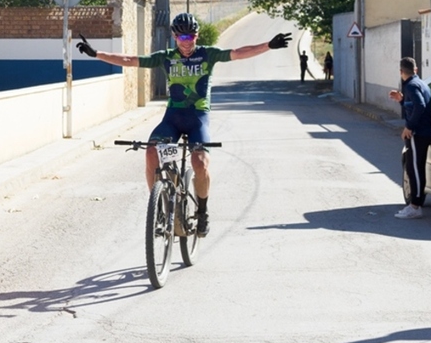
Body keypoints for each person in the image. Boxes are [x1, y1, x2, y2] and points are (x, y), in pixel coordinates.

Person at [76, 12, 291, 237]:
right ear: (174, 38)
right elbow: (130, 60)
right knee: (151, 152)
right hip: (172, 119)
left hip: (197, 118)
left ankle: (203, 213)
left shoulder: (208, 54)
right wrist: (97, 54)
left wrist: (268, 45)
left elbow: (238, 53)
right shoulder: (165, 57)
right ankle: (158, 207)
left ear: (196, 36)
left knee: (200, 163)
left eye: (190, 38)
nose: (186, 43)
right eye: (181, 38)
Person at [388, 57, 431, 220]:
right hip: (424, 131)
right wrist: (401, 100)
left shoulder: (412, 86)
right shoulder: (421, 84)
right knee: (416, 167)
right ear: (415, 69)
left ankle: (415, 205)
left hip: (418, 133)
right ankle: (415, 203)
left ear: (401, 71)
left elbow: (420, 105)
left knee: (413, 168)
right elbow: (413, 105)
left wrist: (409, 127)